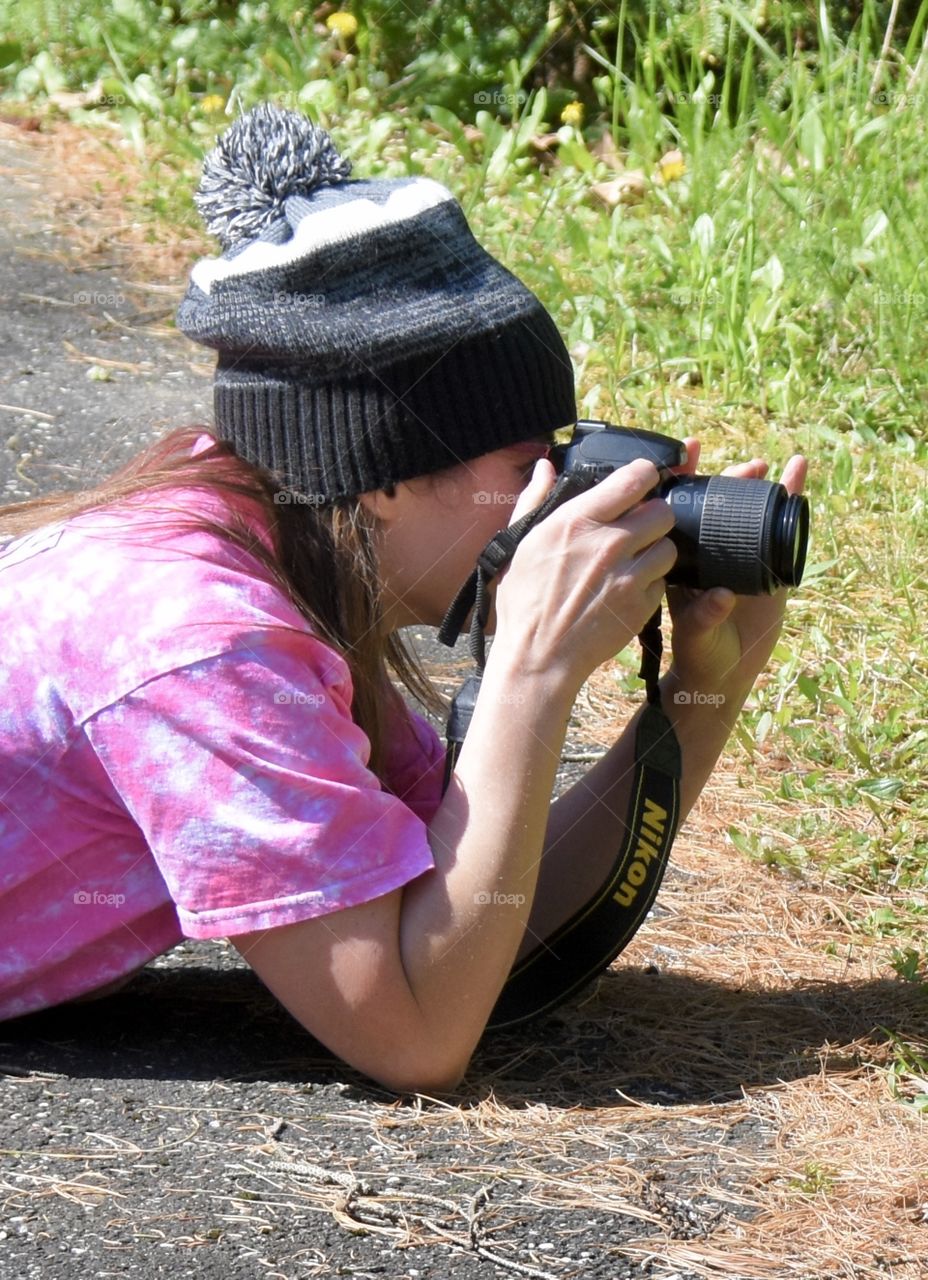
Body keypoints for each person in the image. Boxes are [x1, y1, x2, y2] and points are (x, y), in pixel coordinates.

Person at [0, 104, 806, 1093]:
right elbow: (417, 1032)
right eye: (527, 463)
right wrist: (531, 670)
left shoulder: (282, 559)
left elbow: (481, 912)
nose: (557, 499)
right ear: (379, 474)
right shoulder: (208, 648)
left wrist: (703, 684)